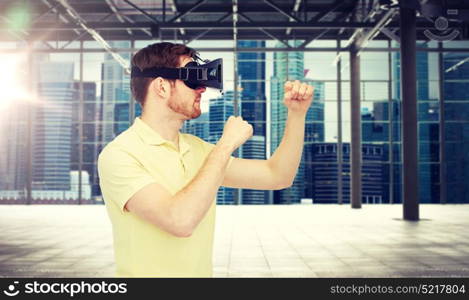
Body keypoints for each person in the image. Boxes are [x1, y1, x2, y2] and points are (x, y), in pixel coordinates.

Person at [97, 42, 314, 277]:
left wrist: (297, 114)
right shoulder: (119, 154)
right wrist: (225, 145)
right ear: (161, 86)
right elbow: (179, 221)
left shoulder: (198, 149)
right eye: (192, 78)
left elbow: (277, 176)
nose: (201, 88)